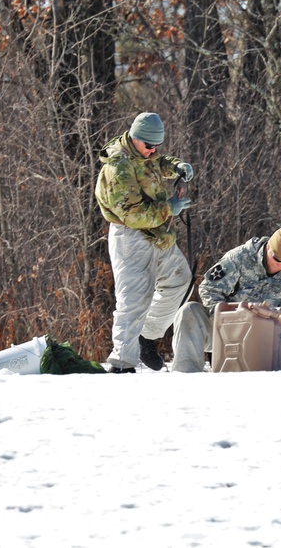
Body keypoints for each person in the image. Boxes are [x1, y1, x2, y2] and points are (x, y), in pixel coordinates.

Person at [95, 112, 194, 373]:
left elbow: (158, 163)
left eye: (156, 146)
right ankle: (122, 363)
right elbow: (132, 214)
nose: (153, 151)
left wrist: (177, 167)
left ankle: (147, 338)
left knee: (180, 279)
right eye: (149, 146)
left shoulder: (143, 154)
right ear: (135, 138)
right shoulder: (118, 166)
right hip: (130, 236)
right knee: (133, 300)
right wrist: (169, 209)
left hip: (157, 232)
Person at [171, 225, 281, 373]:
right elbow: (209, 289)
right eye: (276, 258)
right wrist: (224, 322)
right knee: (189, 311)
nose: (279, 265)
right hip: (224, 330)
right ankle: (187, 373)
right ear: (268, 247)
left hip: (262, 340)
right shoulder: (240, 258)